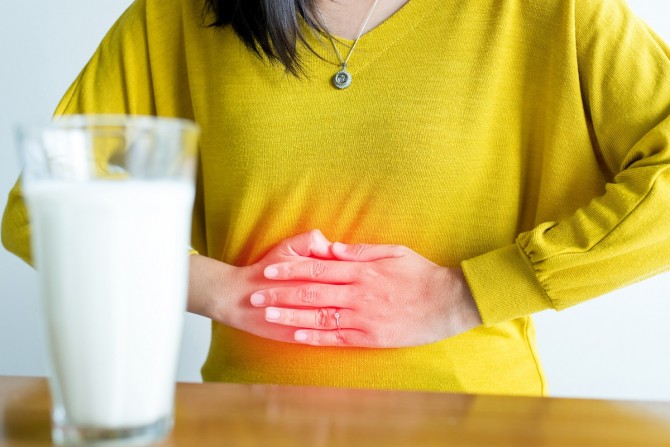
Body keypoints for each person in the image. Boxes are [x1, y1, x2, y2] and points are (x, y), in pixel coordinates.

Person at [3, 0, 670, 396]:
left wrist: (466, 292)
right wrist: (222, 289)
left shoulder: (553, 12)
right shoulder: (176, 14)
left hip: (484, 421)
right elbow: (43, 199)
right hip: (246, 423)